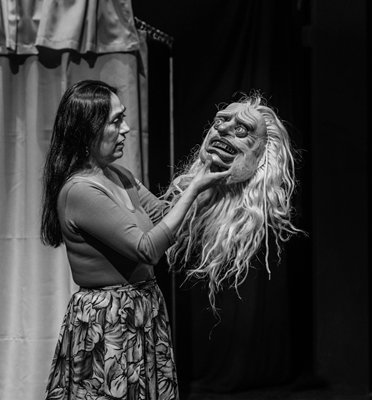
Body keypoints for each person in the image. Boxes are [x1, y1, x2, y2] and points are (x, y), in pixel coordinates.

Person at [40, 79, 231, 400]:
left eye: (123, 117)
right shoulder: (80, 191)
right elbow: (147, 249)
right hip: (109, 322)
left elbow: (167, 218)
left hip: (143, 310)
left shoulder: (120, 175)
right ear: (87, 131)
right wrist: (196, 187)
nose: (126, 128)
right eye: (115, 121)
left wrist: (213, 180)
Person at [163, 93, 301, 311]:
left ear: (263, 155)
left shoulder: (268, 233)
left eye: (241, 130)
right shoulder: (182, 207)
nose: (223, 129)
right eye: (220, 121)